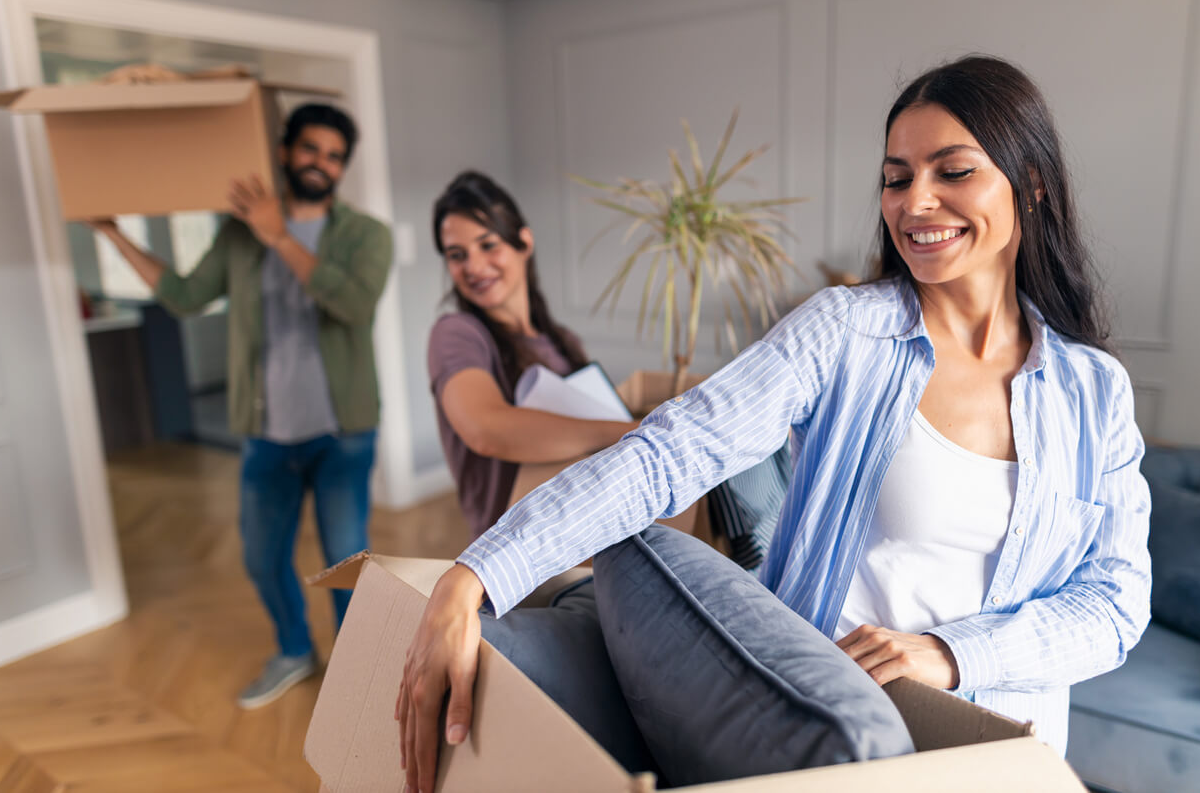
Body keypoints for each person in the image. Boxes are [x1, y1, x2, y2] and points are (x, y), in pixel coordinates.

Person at [396, 55, 1151, 793]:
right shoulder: (845, 333)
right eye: (895, 177)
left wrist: (952, 654)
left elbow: (1116, 602)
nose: (915, 203)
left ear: (1032, 185)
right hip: (838, 735)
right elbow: (671, 452)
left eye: (952, 171)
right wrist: (477, 576)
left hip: (1010, 753)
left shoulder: (1095, 392)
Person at [90, 101, 393, 709]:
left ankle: (360, 673)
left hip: (343, 434)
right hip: (265, 433)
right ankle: (293, 650)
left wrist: (279, 236)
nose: (321, 164)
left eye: (334, 156)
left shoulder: (366, 235)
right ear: (285, 152)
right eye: (310, 149)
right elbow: (181, 296)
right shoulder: (237, 233)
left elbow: (353, 306)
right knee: (260, 556)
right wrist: (112, 231)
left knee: (346, 561)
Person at [426, 171, 638, 538]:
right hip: (515, 559)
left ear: (523, 242)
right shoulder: (457, 334)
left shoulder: (563, 341)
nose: (474, 267)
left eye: (488, 245)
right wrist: (630, 433)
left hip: (584, 537)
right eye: (457, 255)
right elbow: (485, 430)